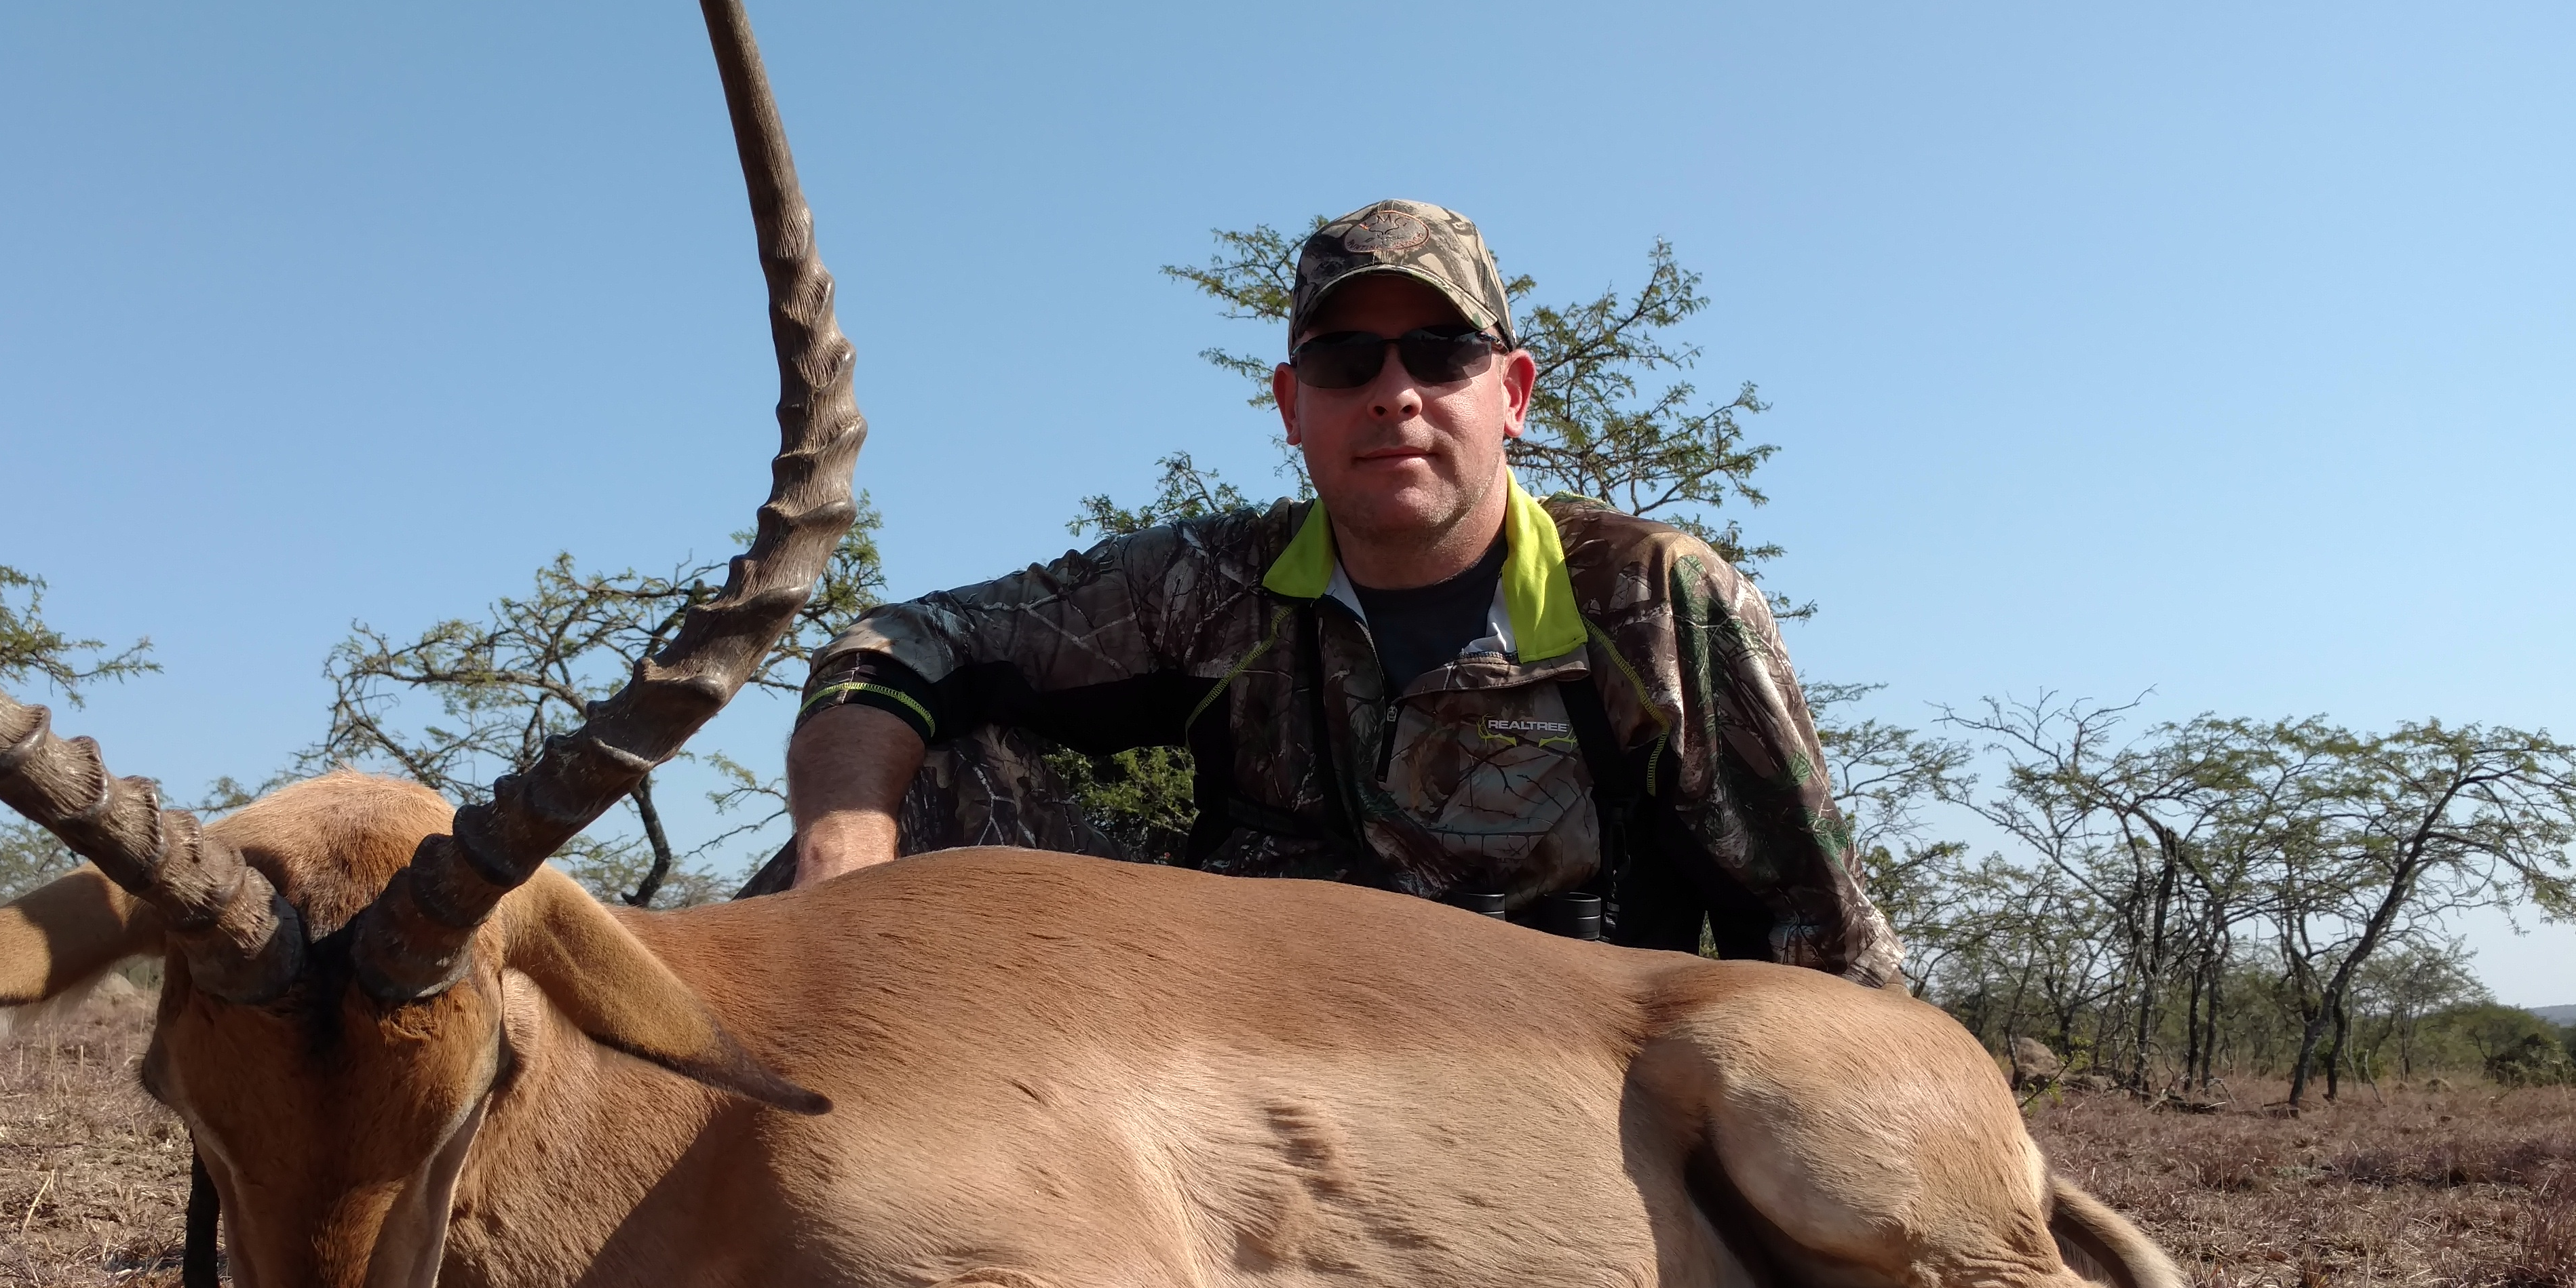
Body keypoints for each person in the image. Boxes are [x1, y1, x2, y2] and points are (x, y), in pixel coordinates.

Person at [775, 199, 1903, 986]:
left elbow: (1830, 954)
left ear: (1511, 392)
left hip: (1548, 1109)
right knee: (929, 766)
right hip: (1240, 1072)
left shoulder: (1658, 603)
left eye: (1439, 351)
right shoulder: (1203, 584)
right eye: (1344, 362)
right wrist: (840, 870)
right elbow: (896, 644)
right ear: (1290, 404)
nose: (1393, 394)